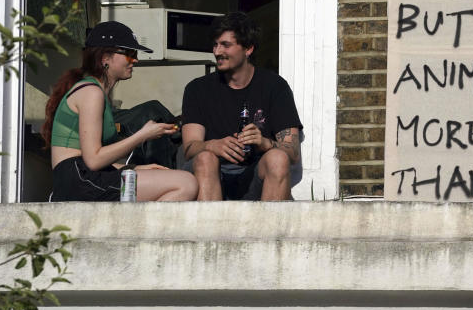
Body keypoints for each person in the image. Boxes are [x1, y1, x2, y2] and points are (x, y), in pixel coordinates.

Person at [43, 21, 198, 202]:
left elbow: (90, 160)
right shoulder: (91, 92)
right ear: (105, 58)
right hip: (79, 182)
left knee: (178, 179)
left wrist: (133, 168)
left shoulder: (95, 92)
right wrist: (142, 135)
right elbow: (93, 160)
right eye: (130, 54)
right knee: (185, 183)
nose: (135, 60)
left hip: (86, 177)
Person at [181, 12, 302, 201]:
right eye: (215, 44)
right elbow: (189, 148)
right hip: (212, 174)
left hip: (255, 175)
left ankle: (271, 230)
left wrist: (264, 143)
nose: (217, 51)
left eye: (226, 45)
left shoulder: (274, 86)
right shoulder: (197, 89)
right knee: (205, 158)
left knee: (278, 158)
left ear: (248, 49)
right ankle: (210, 229)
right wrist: (213, 145)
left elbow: (293, 152)